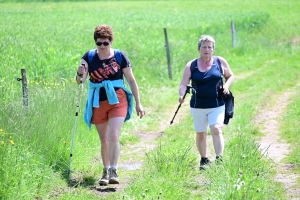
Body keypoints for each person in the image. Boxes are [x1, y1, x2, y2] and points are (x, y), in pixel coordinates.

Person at [76, 24, 146, 185]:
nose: (102, 47)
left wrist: (138, 104)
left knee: (113, 135)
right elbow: (80, 81)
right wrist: (79, 72)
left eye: (105, 43)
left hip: (118, 99)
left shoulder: (120, 56)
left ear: (111, 41)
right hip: (97, 100)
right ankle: (105, 170)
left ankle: (114, 170)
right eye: (99, 43)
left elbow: (131, 80)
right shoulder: (88, 57)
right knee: (104, 140)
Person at [178, 35, 234, 170]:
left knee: (216, 128)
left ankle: (219, 159)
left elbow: (230, 76)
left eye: (210, 47)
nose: (207, 49)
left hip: (217, 104)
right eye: (204, 47)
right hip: (198, 105)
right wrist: (181, 95)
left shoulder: (219, 62)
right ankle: (204, 160)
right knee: (201, 133)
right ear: (199, 49)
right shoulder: (191, 65)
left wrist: (226, 87)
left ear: (213, 49)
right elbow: (183, 84)